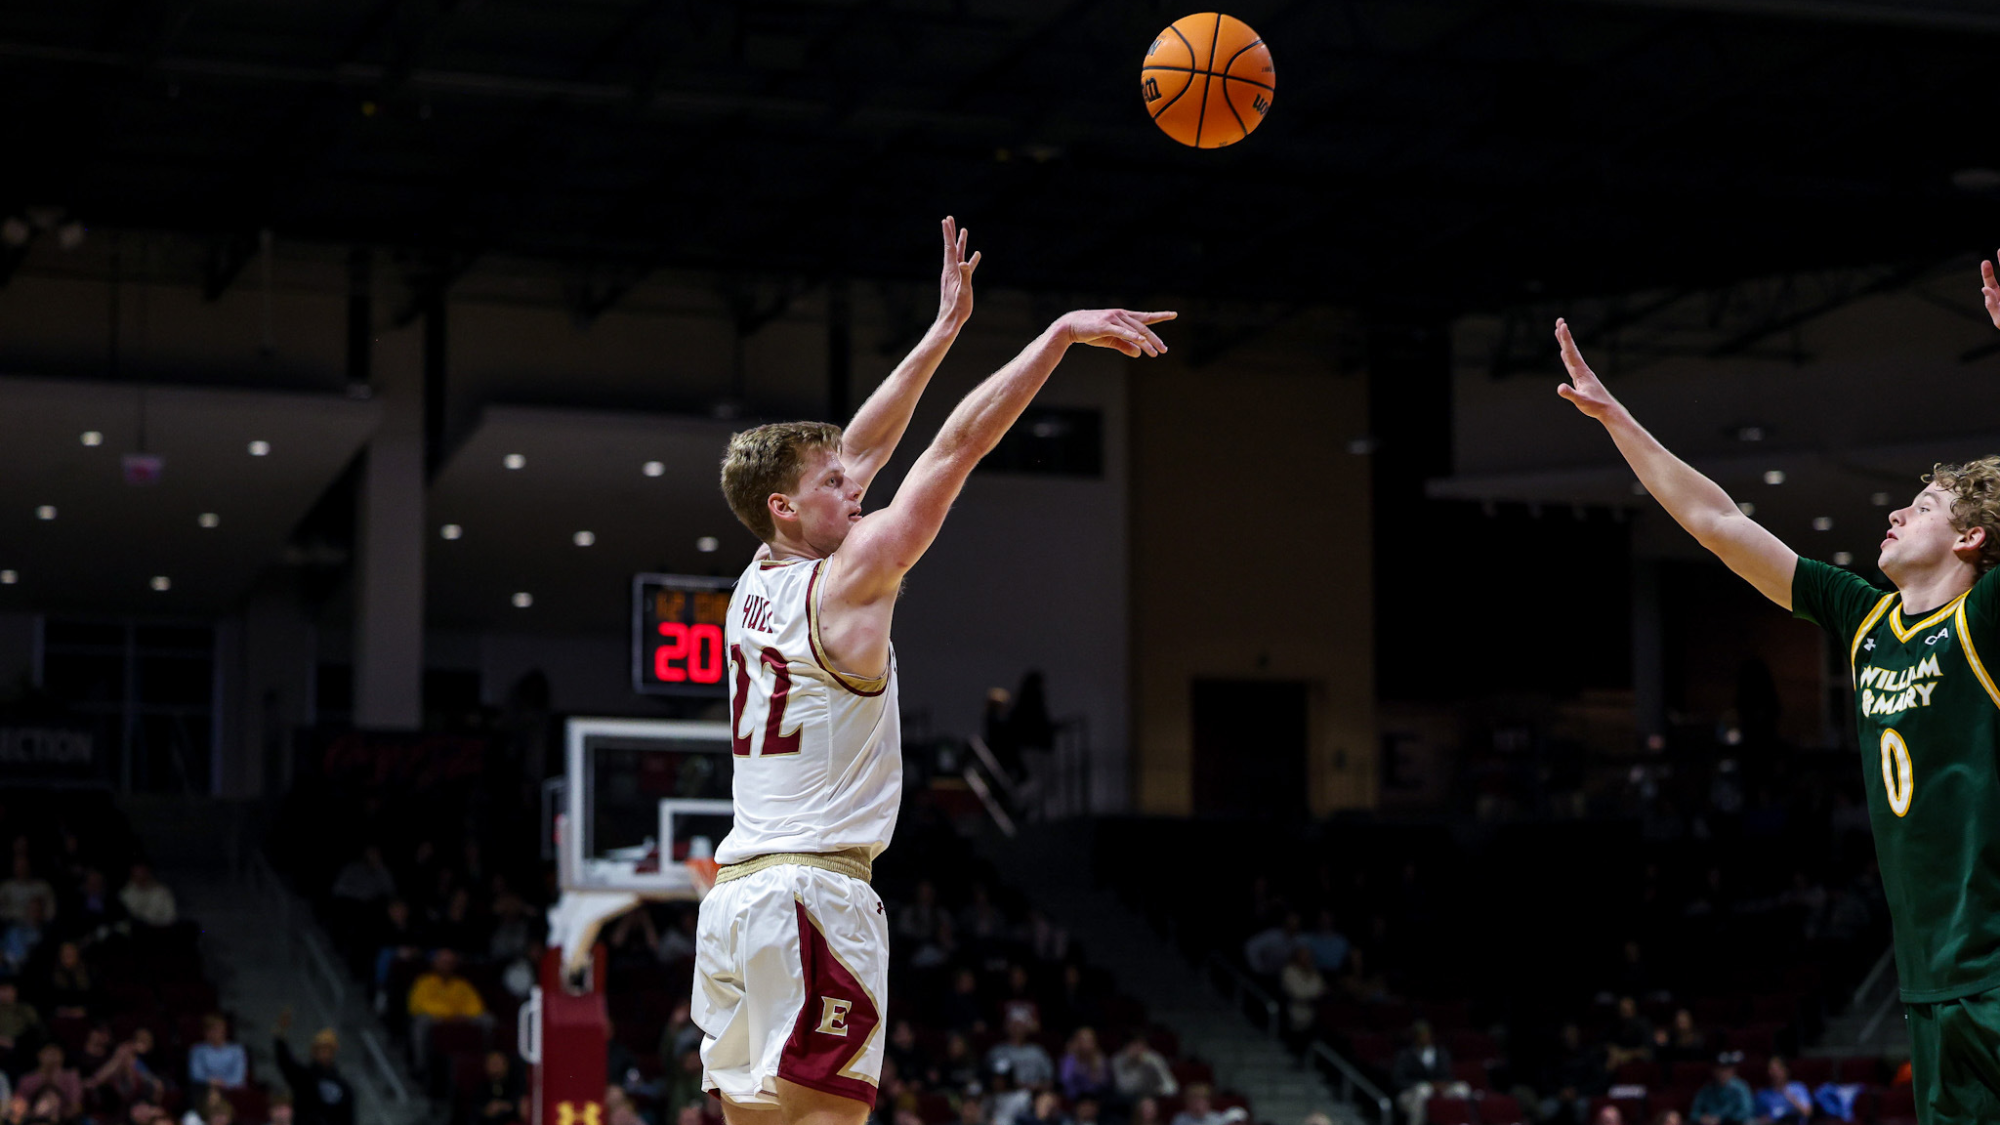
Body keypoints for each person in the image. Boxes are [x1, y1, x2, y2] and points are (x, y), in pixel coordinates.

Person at [692, 213, 1170, 1125]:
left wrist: (941, 333)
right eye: (835, 485)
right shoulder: (849, 582)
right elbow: (954, 448)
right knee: (830, 1121)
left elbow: (862, 446)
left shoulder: (758, 572)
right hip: (813, 892)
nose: (855, 485)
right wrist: (1057, 336)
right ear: (787, 505)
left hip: (741, 899)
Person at [1554, 265, 2000, 1124]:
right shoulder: (1865, 622)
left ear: (1973, 537)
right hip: (1931, 983)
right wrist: (1620, 422)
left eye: (1925, 504)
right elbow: (1719, 524)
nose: (1899, 514)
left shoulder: (1986, 618)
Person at [407, 949, 490, 1073]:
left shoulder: (462, 984)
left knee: (488, 1019)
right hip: (436, 1020)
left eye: (450, 962)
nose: (446, 966)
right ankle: (421, 1066)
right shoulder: (424, 982)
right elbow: (417, 1005)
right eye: (443, 962)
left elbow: (476, 1006)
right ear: (435, 963)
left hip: (461, 1020)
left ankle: (488, 1061)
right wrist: (449, 1015)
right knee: (421, 1021)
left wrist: (464, 1016)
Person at [273, 1010, 355, 1125]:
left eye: (328, 1050)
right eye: (321, 1049)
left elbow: (348, 1118)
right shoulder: (304, 1077)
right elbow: (286, 1063)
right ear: (314, 1052)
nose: (325, 1054)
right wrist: (280, 1037)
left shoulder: (344, 1087)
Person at [1390, 1022, 1470, 1125]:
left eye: (1427, 1034)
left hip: (1438, 1090)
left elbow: (1448, 1075)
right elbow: (1398, 1080)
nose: (1425, 1037)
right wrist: (1424, 1084)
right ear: (1415, 1036)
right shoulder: (1404, 1055)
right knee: (1423, 1090)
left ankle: (1462, 1122)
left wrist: (1441, 1084)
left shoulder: (1441, 1053)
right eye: (1421, 1034)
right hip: (1410, 1094)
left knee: (1462, 1088)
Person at [985, 1013, 1055, 1091]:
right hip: (1006, 1095)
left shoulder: (1037, 1051)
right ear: (1007, 1027)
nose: (1017, 1029)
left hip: (1035, 1094)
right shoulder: (997, 1052)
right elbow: (991, 1081)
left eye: (1021, 1026)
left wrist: (1034, 1087)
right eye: (1014, 1025)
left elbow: (1049, 1080)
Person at [1278, 945, 1326, 1050]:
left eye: (1308, 956)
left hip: (1313, 1011)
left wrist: (1311, 995)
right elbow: (1297, 993)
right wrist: (1311, 995)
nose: (1306, 958)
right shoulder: (1289, 971)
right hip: (1294, 1009)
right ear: (1296, 957)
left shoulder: (1314, 972)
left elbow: (1321, 989)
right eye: (1303, 955)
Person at [15, 1044, 81, 1120]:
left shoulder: (71, 1077)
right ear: (39, 1055)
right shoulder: (27, 1080)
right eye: (49, 1053)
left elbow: (76, 1105)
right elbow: (19, 1105)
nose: (52, 1058)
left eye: (56, 1053)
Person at [1688, 1054, 1753, 1125]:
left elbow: (1746, 1112)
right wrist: (1702, 1118)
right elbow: (1693, 1114)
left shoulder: (1741, 1088)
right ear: (1714, 1071)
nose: (1723, 1073)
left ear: (1733, 1071)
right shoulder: (1707, 1090)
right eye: (1719, 1069)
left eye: (1726, 1069)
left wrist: (1721, 1118)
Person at [188, 1014, 247, 1092]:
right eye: (210, 1030)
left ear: (224, 1030)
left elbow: (238, 1077)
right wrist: (211, 1081)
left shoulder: (237, 1050)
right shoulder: (197, 1050)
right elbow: (196, 1075)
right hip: (205, 1089)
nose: (214, 1033)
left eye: (217, 1029)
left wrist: (224, 1083)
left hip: (231, 1091)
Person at [1110, 1035, 1177, 1101]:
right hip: (1126, 1099)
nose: (1138, 1050)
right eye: (1135, 1046)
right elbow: (1123, 1088)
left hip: (1152, 1097)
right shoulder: (1118, 1060)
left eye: (1142, 1045)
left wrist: (1149, 1066)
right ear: (1126, 1047)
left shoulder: (1154, 1059)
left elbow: (1172, 1088)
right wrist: (1130, 1064)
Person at [1058, 1028, 1110, 1103]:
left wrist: (1097, 1075)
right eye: (1084, 1041)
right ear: (1077, 1042)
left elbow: (1105, 1084)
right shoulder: (1069, 1060)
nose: (1087, 1045)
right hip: (1074, 1100)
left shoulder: (1100, 1059)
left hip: (1096, 1100)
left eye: (1090, 1041)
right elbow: (1065, 1082)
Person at [471, 1051, 522, 1125]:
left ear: (506, 1064)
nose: (495, 1067)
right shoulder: (481, 1088)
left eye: (498, 1063)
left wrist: (503, 1106)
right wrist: (487, 1111)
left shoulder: (517, 1084)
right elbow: (476, 1112)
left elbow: (521, 1105)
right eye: (492, 1063)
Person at [118, 864, 175, 928]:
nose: (139, 874)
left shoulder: (162, 892)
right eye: (135, 872)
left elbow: (170, 917)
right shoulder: (126, 892)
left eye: (141, 871)